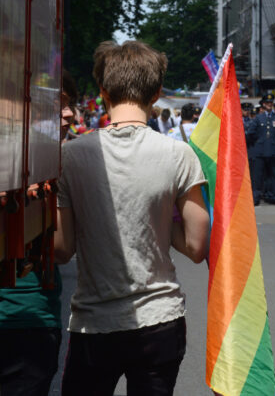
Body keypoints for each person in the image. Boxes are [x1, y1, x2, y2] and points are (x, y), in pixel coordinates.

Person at [54, 40, 210, 395]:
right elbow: (197, 246)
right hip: (160, 319)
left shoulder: (69, 157)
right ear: (156, 94)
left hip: (95, 323)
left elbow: (61, 249)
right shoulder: (179, 155)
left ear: (104, 93)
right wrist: (159, 220)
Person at [0, 70, 78, 396]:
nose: (70, 114)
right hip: (27, 319)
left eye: (70, 104)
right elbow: (61, 250)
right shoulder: (51, 166)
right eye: (58, 105)